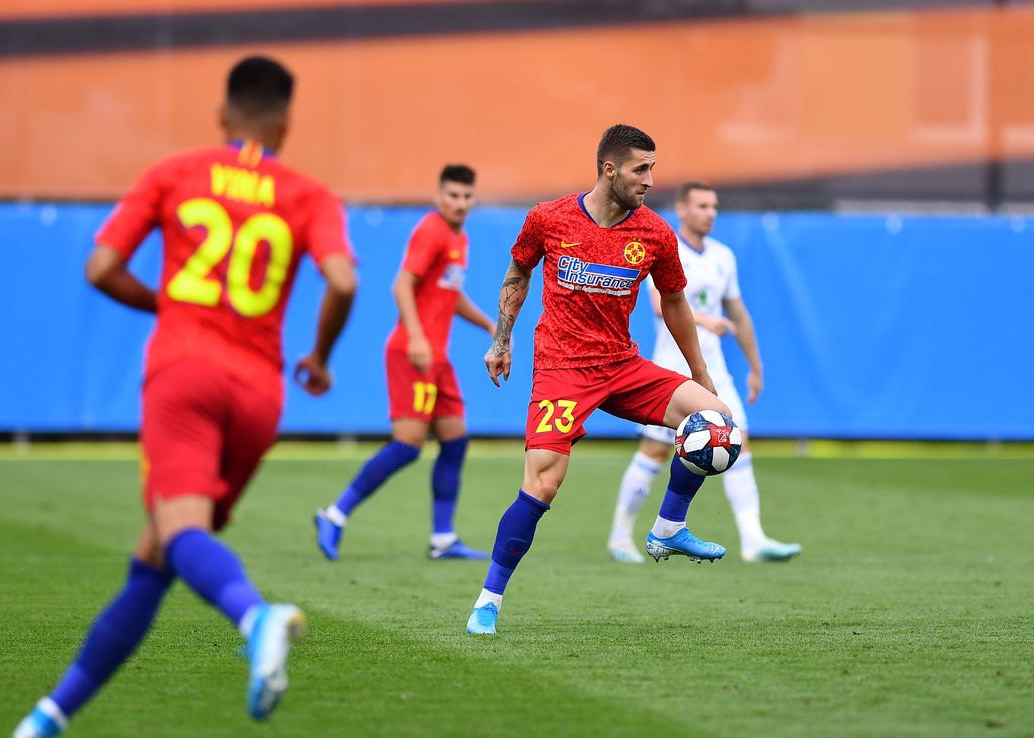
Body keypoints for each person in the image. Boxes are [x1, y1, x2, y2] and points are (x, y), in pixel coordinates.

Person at [11, 56, 358, 738]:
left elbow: (101, 267)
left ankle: (254, 616)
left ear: (222, 115)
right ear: (285, 125)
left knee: (177, 534)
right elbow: (344, 280)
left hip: (185, 375)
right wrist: (319, 356)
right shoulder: (309, 194)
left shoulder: (175, 171)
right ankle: (52, 714)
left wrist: (163, 303)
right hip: (260, 397)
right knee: (158, 553)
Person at [465, 124, 736, 636]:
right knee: (543, 483)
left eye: (653, 168)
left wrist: (700, 373)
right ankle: (488, 600)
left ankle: (667, 529)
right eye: (641, 169)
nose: (650, 179)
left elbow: (675, 300)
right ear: (608, 169)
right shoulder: (549, 217)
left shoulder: (655, 232)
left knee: (717, 421)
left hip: (622, 365)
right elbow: (519, 271)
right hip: (563, 368)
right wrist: (502, 339)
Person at [607, 182, 801, 564]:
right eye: (702, 205)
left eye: (714, 205)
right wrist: (705, 320)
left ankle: (753, 538)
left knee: (738, 441)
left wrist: (755, 367)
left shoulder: (723, 257)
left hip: (714, 370)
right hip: (672, 366)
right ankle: (619, 536)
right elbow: (662, 305)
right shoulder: (666, 246)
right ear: (682, 209)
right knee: (655, 451)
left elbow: (739, 313)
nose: (710, 212)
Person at [314, 165, 493, 561]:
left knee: (455, 440)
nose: (460, 203)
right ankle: (334, 514)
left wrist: (486, 323)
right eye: (453, 196)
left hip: (437, 357)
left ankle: (442, 539)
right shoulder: (431, 231)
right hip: (412, 353)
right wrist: (415, 336)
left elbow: (449, 293)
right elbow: (402, 283)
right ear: (438, 197)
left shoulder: (458, 238)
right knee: (408, 446)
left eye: (467, 196)